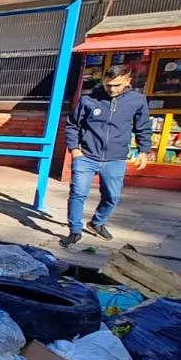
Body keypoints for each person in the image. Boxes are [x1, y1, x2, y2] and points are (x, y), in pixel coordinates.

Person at [61, 65, 151, 248]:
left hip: (115, 158)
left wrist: (144, 151)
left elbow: (143, 127)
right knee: (78, 193)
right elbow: (72, 125)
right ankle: (75, 231)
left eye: (117, 85)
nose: (112, 89)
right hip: (86, 156)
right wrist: (75, 149)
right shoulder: (89, 100)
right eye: (108, 84)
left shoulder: (137, 101)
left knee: (112, 196)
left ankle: (97, 223)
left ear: (128, 80)